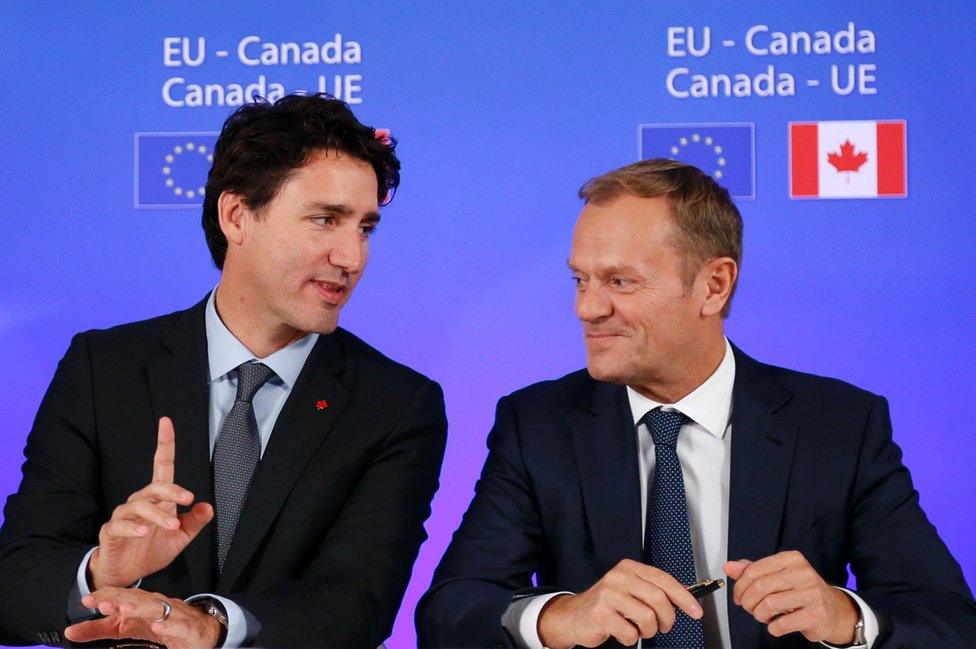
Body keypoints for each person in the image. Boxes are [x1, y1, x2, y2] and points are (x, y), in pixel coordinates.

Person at [416, 158, 976, 648]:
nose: (587, 308)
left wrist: (845, 616)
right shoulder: (537, 425)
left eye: (620, 281)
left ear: (714, 286)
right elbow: (449, 612)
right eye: (580, 280)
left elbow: (949, 620)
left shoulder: (839, 426)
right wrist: (561, 617)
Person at [0, 93, 447, 648]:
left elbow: (357, 602)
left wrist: (211, 626)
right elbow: (15, 585)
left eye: (365, 228)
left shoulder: (396, 404)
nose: (352, 257)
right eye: (325, 219)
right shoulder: (102, 368)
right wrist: (102, 572)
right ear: (236, 216)